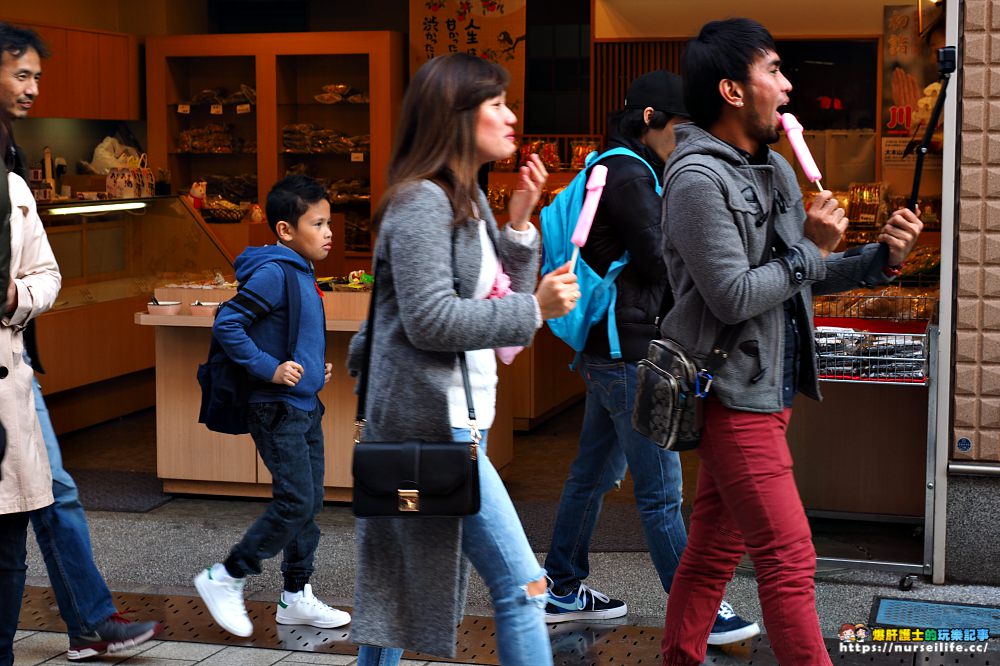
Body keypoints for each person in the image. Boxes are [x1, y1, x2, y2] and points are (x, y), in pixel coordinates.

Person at [658, 18, 923, 666]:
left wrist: (875, 259)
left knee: (714, 550)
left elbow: (797, 276)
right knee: (788, 555)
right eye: (772, 70)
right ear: (731, 90)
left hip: (769, 387)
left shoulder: (772, 167)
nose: (787, 83)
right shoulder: (696, 181)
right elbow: (734, 295)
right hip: (730, 393)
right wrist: (811, 247)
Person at [347, 52, 578, 666]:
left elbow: (499, 320)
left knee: (395, 590)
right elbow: (432, 320)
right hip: (429, 424)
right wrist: (537, 308)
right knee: (525, 587)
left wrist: (521, 224)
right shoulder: (422, 202)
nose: (512, 116)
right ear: (454, 114)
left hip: (444, 423)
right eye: (496, 103)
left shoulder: (463, 197)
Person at [542, 69, 759, 646]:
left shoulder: (614, 166)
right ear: (650, 118)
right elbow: (662, 260)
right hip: (629, 353)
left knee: (591, 474)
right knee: (661, 491)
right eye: (680, 126)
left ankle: (561, 586)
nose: (685, 138)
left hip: (608, 348)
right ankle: (701, 610)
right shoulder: (631, 174)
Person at [0, 23, 162, 661]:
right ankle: (88, 621)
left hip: (14, 365)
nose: (35, 88)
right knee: (35, 500)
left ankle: (88, 621)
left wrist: (17, 301)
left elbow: (42, 273)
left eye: (38, 75)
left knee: (44, 495)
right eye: (22, 73)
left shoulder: (12, 169)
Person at [194, 174, 350, 637]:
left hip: (303, 405)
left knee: (311, 502)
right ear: (285, 230)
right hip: (275, 407)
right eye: (317, 223)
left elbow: (290, 331)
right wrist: (270, 368)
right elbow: (229, 323)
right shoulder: (275, 271)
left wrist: (309, 367)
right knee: (296, 500)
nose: (328, 232)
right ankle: (226, 575)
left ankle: (296, 597)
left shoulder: (300, 270)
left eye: (329, 223)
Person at [0, 114, 58, 666]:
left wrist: (17, 294)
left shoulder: (16, 191)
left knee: (9, 537)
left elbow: (48, 274)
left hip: (5, 381)